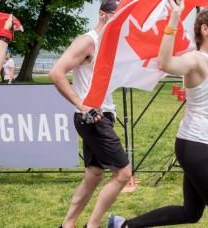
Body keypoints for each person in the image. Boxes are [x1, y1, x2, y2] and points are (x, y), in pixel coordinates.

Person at [108, 1, 208, 228]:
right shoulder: (197, 59)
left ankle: (123, 226)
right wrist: (174, 19)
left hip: (201, 142)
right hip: (197, 143)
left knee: (191, 212)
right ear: (205, 30)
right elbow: (165, 63)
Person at [49, 1, 132, 227]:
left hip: (102, 116)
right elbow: (56, 73)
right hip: (92, 118)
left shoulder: (110, 45)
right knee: (124, 174)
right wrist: (82, 105)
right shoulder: (88, 42)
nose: (120, 22)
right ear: (102, 15)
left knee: (94, 175)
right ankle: (92, 225)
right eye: (116, 17)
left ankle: (68, 224)